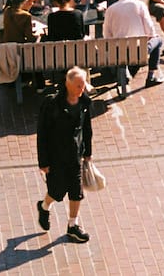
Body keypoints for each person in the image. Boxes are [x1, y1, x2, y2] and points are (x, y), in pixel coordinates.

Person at [35, 66, 93, 243]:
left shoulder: (84, 102)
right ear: (67, 84)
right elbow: (42, 134)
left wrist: (87, 152)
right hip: (56, 157)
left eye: (83, 85)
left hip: (75, 156)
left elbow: (87, 128)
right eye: (78, 86)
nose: (81, 89)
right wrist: (43, 162)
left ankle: (72, 226)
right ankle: (44, 207)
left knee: (76, 192)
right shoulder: (52, 104)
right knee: (57, 192)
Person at [103, 0, 164, 85]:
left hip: (119, 51)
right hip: (139, 50)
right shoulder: (140, 5)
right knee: (157, 39)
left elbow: (107, 34)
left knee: (123, 47)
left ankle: (125, 70)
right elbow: (149, 26)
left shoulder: (110, 9)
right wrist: (151, 36)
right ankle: (151, 76)